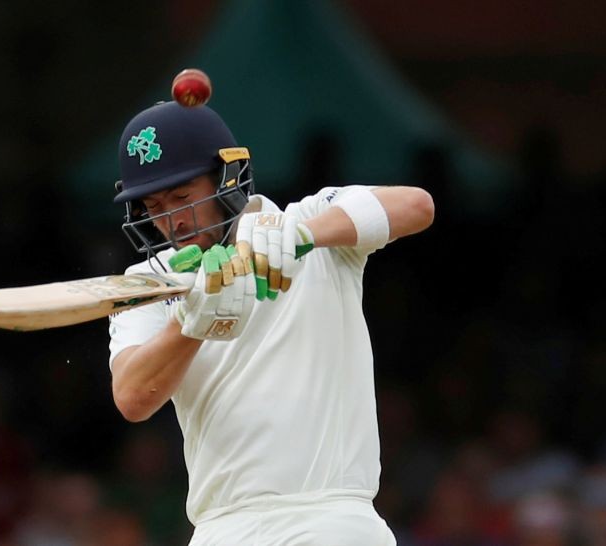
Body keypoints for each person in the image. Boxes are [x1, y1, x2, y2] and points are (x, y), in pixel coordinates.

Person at [108, 100, 434, 545]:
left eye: (183, 198)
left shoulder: (311, 221)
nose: (174, 221)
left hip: (333, 519)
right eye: (154, 205)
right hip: (223, 527)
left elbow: (417, 206)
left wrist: (300, 238)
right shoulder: (148, 281)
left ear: (226, 177)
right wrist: (191, 324)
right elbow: (132, 397)